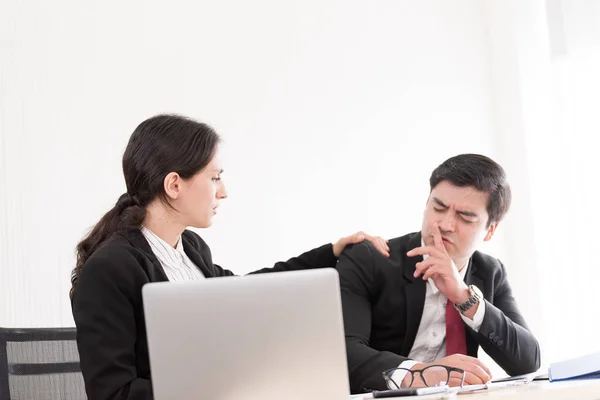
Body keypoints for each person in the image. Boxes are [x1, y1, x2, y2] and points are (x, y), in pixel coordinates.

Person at [70, 114, 389, 400]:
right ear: (174, 184)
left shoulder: (189, 249)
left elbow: (247, 291)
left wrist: (330, 253)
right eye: (214, 177)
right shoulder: (110, 270)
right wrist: (216, 391)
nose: (223, 191)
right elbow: (112, 393)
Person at [338, 154, 540, 393]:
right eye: (438, 207)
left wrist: (465, 298)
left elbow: (528, 361)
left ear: (490, 230)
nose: (445, 224)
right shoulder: (370, 258)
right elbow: (342, 351)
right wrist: (420, 373)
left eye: (465, 217)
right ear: (426, 205)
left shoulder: (490, 272)